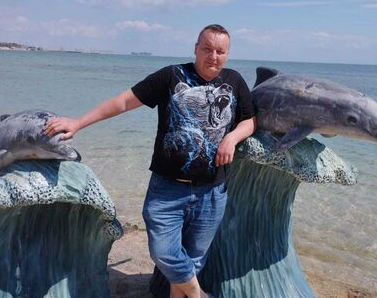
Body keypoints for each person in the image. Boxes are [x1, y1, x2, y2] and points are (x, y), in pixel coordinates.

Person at [44, 24, 256, 298]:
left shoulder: (234, 81)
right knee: (164, 252)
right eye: (207, 49)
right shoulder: (171, 76)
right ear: (196, 49)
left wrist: (232, 138)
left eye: (220, 51)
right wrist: (78, 122)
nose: (213, 56)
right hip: (168, 189)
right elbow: (123, 102)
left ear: (227, 54)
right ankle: (198, 295)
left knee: (193, 260)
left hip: (212, 191)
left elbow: (250, 120)